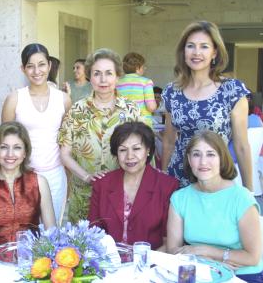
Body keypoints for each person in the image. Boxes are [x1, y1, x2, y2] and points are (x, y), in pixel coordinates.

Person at [161, 21, 252, 189]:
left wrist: (249, 192)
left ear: (214, 53)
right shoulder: (171, 92)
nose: (196, 52)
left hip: (215, 178)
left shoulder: (232, 91)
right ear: (183, 52)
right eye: (190, 46)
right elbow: (168, 142)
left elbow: (241, 146)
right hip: (178, 180)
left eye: (204, 46)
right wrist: (162, 180)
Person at [58, 48, 141, 223]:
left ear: (117, 77)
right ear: (90, 77)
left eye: (109, 73)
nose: (103, 79)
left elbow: (142, 153)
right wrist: (86, 176)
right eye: (97, 73)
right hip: (83, 197)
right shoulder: (77, 110)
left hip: (122, 196)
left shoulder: (131, 110)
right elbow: (64, 153)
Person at [167, 131, 263, 283]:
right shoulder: (180, 198)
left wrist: (206, 251)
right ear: (189, 159)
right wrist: (210, 261)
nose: (203, 162)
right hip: (198, 271)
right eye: (196, 154)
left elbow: (252, 257)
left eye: (210, 154)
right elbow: (173, 251)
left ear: (222, 159)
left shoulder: (241, 198)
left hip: (241, 274)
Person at [2, 43, 71, 225]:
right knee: (23, 233)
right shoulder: (14, 99)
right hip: (22, 175)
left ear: (49, 65)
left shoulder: (63, 99)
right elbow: (4, 143)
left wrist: (70, 180)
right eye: (30, 66)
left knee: (51, 235)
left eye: (41, 64)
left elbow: (68, 143)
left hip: (55, 176)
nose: (36, 71)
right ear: (23, 69)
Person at [88, 122, 178, 250]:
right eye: (123, 150)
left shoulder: (167, 186)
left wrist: (143, 264)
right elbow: (93, 233)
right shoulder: (102, 184)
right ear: (116, 154)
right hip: (109, 263)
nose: (130, 156)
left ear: (148, 150)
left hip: (151, 263)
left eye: (136, 149)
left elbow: (169, 242)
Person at [0, 122, 56, 247]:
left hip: (31, 258)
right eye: (4, 147)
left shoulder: (39, 182)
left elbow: (51, 231)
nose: (10, 154)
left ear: (25, 152)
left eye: (17, 147)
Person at [116, 52, 157, 127]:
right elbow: (151, 107)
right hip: (142, 124)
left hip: (122, 124)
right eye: (143, 66)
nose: (145, 68)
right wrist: (155, 105)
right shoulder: (146, 82)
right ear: (138, 68)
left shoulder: (117, 83)